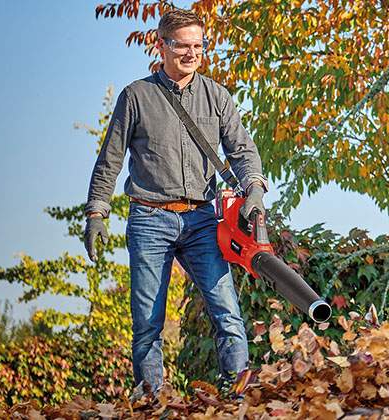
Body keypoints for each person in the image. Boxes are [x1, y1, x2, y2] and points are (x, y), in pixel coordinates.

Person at [83, 8, 267, 399]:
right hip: (149, 218)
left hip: (202, 219)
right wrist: (97, 213)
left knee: (227, 312)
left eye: (198, 46)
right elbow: (110, 161)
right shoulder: (136, 97)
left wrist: (254, 187)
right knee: (148, 321)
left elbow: (242, 150)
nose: (192, 54)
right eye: (183, 46)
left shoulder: (217, 96)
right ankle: (152, 398)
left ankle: (237, 395)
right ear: (161, 45)